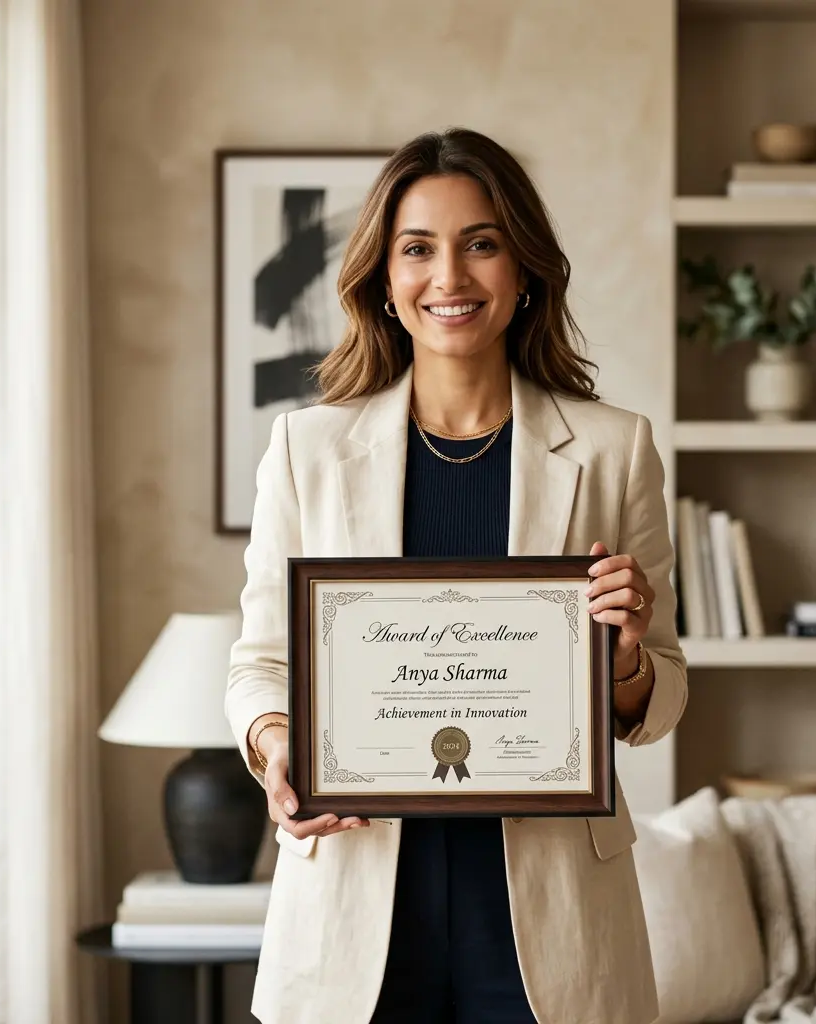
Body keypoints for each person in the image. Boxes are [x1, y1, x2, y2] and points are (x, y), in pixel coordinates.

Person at [225, 127, 688, 1024]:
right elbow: (260, 665)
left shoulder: (612, 448)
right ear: (385, 281)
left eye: (481, 243)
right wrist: (278, 747)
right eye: (418, 249)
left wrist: (627, 658)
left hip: (552, 914)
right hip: (355, 906)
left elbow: (660, 698)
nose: (451, 277)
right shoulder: (305, 450)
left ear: (523, 271)